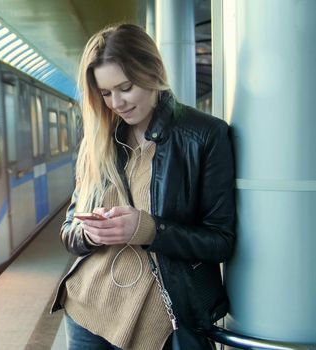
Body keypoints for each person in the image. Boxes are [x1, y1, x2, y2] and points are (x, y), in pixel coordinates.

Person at [50, 23, 236, 349]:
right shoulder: (98, 141)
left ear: (151, 71)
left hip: (160, 326)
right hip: (86, 312)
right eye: (105, 93)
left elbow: (221, 241)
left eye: (125, 87)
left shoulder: (204, 136)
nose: (116, 103)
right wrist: (90, 233)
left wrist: (150, 229)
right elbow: (69, 231)